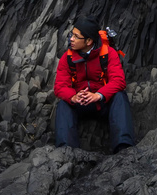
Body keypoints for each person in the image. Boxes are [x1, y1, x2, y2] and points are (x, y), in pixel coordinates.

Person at [54, 17, 136, 153]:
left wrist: (99, 95)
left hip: (102, 103)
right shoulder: (67, 58)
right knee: (63, 104)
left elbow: (119, 81)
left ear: (89, 41)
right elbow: (59, 86)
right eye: (71, 35)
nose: (71, 39)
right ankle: (65, 151)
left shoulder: (108, 53)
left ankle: (124, 148)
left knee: (120, 97)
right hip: (79, 103)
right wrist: (73, 97)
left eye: (76, 36)